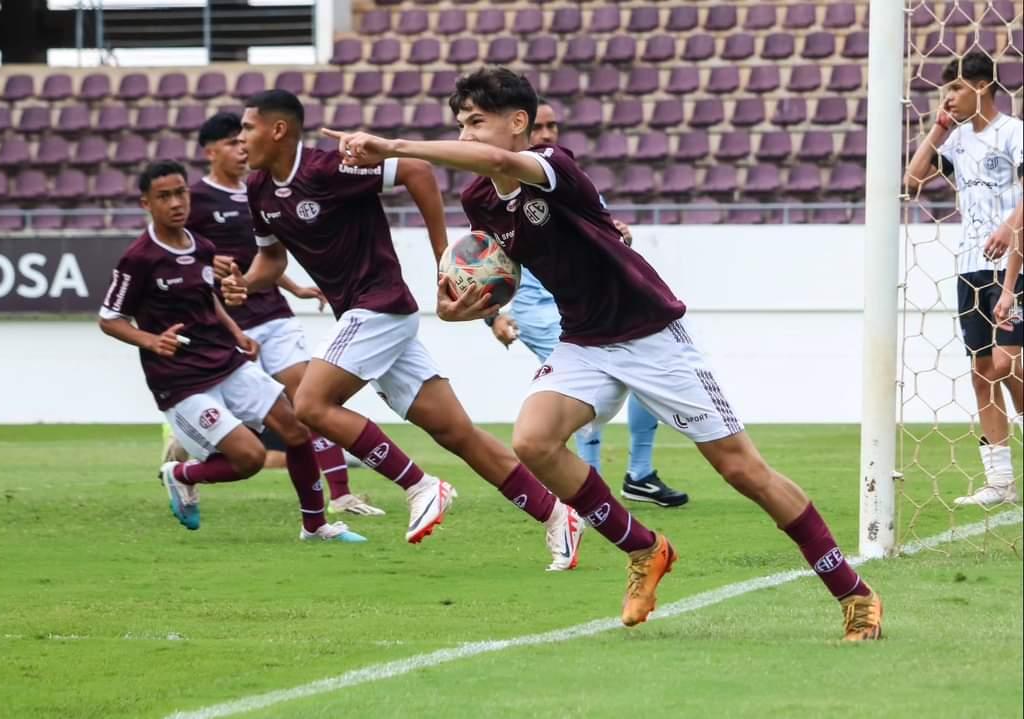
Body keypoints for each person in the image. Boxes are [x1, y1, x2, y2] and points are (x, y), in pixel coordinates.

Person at [321, 67, 883, 638]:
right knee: (533, 440)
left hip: (651, 334)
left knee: (742, 470)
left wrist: (392, 146)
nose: (465, 135)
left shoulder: (552, 164)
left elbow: (496, 160)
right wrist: (465, 308)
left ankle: (854, 593)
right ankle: (645, 548)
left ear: (518, 123)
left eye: (476, 122)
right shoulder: (479, 198)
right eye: (460, 124)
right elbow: (501, 273)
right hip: (584, 340)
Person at [221, 89, 584, 571]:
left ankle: (419, 485)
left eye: (247, 128)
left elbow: (416, 169)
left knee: (309, 404)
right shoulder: (258, 189)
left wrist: (442, 258)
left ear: (278, 130)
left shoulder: (327, 168)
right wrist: (245, 284)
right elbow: (271, 259)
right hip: (366, 318)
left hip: (379, 306)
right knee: (457, 433)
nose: (241, 139)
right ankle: (557, 515)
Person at [98, 160, 365, 543]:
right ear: (146, 204)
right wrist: (151, 341)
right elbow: (110, 318)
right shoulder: (138, 258)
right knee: (250, 458)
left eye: (180, 193)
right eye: (164, 196)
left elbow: (208, 299)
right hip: (183, 382)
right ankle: (181, 474)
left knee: (296, 429)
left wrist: (237, 333)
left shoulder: (203, 247)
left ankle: (316, 526)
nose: (176, 203)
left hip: (228, 361)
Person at [180, 111, 384, 516]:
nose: (241, 149)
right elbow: (174, 252)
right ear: (210, 152)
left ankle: (341, 494)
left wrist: (296, 287)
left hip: (273, 313)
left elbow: (265, 253)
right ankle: (187, 457)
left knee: (310, 398)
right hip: (230, 323)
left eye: (242, 141)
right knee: (244, 418)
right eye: (231, 143)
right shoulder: (195, 199)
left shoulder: (258, 188)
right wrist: (205, 261)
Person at [488, 98, 688, 508]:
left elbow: (598, 237)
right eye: (539, 127)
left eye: (552, 126)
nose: (547, 134)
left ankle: (639, 474)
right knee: (579, 395)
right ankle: (587, 482)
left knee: (647, 378)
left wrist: (618, 236)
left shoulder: (566, 176)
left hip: (587, 306)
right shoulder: (499, 193)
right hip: (540, 312)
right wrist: (492, 317)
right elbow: (483, 263)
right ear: (519, 129)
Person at [905, 51, 1023, 506]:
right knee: (981, 374)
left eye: (954, 88)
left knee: (1007, 363)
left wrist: (1009, 227)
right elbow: (913, 179)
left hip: (1014, 262)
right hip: (971, 267)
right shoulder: (957, 141)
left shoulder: (1012, 133)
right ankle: (1000, 481)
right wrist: (939, 129)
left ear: (981, 86)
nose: (949, 98)